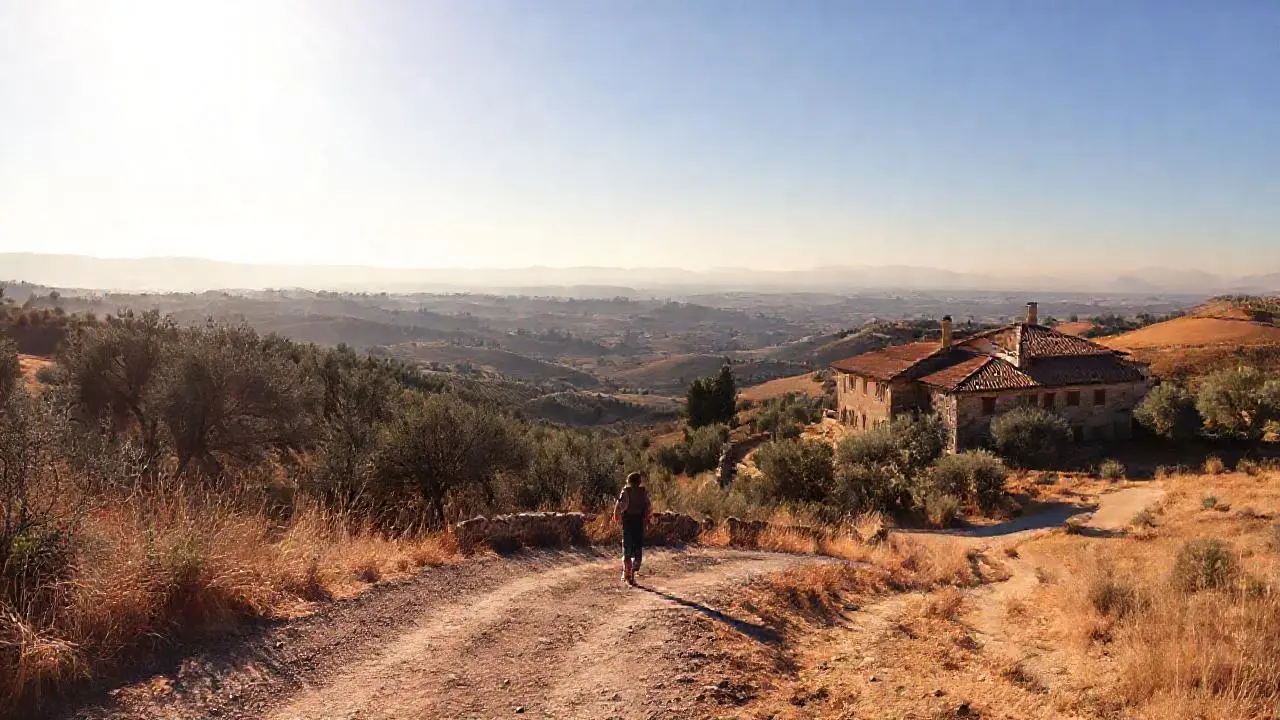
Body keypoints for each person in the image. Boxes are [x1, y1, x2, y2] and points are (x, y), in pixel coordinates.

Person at [613, 471, 652, 585]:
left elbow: (619, 505)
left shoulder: (626, 491)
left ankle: (627, 573)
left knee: (627, 547)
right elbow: (649, 507)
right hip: (639, 522)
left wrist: (616, 515)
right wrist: (646, 519)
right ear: (639, 481)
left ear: (629, 481)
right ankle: (633, 571)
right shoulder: (643, 492)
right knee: (637, 546)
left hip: (628, 522)